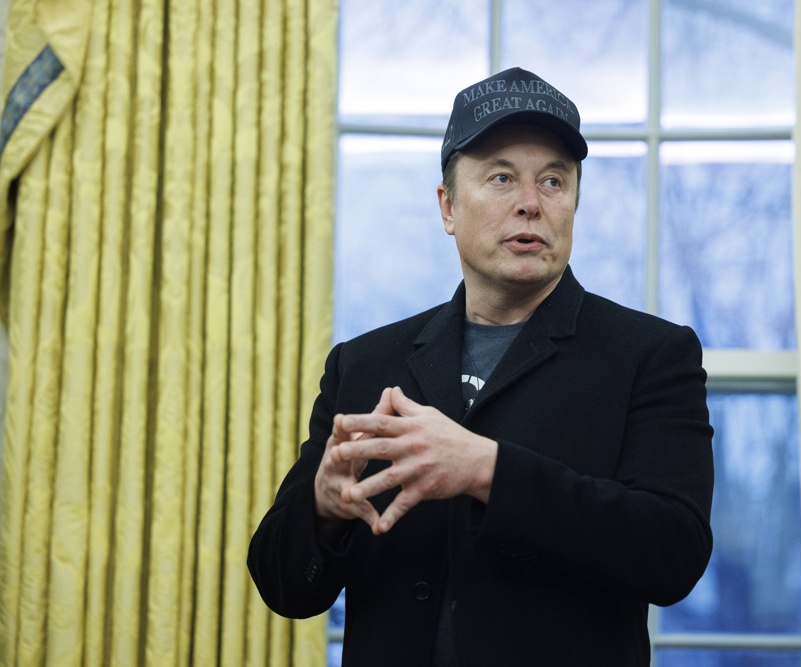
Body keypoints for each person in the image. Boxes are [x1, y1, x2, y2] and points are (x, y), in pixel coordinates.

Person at [247, 66, 714, 667]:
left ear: (574, 203)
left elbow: (673, 554)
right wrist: (323, 508)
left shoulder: (651, 354)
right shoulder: (363, 364)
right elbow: (284, 586)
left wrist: (487, 470)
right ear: (447, 206)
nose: (530, 204)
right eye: (501, 178)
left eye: (553, 181)